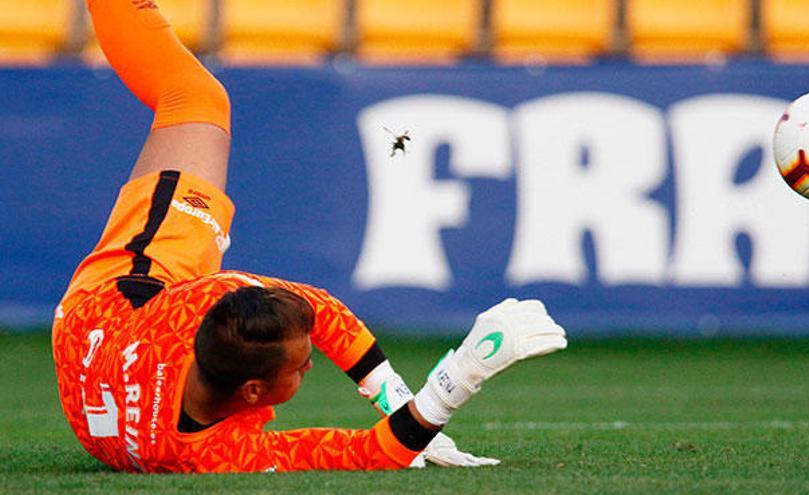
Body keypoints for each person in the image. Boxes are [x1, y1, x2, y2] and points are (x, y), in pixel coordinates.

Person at [52, 0, 567, 473]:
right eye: (300, 366)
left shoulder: (200, 304)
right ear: (253, 391)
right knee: (194, 99)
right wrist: (454, 379)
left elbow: (318, 317)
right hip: (85, 368)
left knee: (196, 102)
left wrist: (437, 388)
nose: (311, 363)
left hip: (106, 307)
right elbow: (365, 442)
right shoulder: (214, 452)